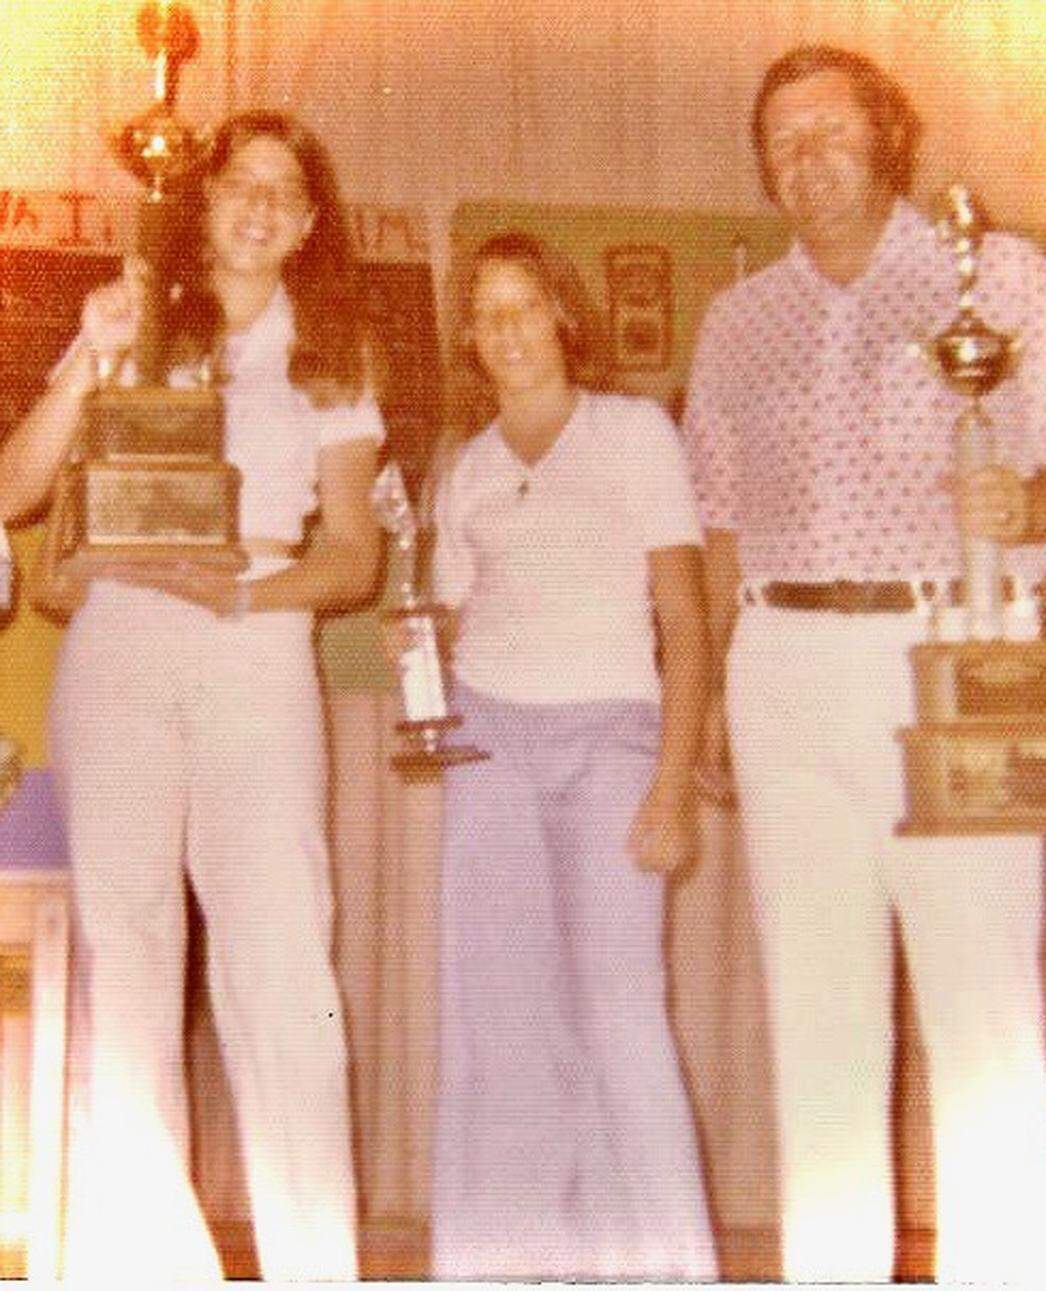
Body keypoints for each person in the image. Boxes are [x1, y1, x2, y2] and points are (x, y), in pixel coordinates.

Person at [683, 44, 1046, 1284]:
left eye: (831, 130)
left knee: (982, 1014)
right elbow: (720, 526)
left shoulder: (1002, 274)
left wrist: (1030, 506)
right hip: (782, 665)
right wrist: (713, 691)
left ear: (889, 138)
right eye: (782, 141)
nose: (807, 158)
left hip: (955, 658)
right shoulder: (737, 320)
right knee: (818, 1024)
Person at [4, 110, 380, 1281]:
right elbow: (14, 491)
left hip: (255, 644)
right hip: (119, 644)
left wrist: (244, 597)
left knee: (283, 964)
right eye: (238, 183)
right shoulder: (137, 320)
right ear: (202, 200)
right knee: (124, 957)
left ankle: (315, 1263)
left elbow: (355, 557)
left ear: (309, 223)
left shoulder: (333, 354)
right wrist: (92, 350)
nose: (258, 206)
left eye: (284, 190)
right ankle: (149, 1263)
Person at [428, 231, 717, 1281]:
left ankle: (664, 1266)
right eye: (485, 313)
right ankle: (505, 1263)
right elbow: (447, 626)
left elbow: (684, 624)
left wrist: (671, 786)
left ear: (562, 315)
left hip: (612, 743)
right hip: (489, 744)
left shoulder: (635, 432)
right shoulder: (464, 467)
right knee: (501, 1013)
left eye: (524, 305)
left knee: (620, 1010)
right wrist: (425, 691)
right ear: (469, 336)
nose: (506, 329)